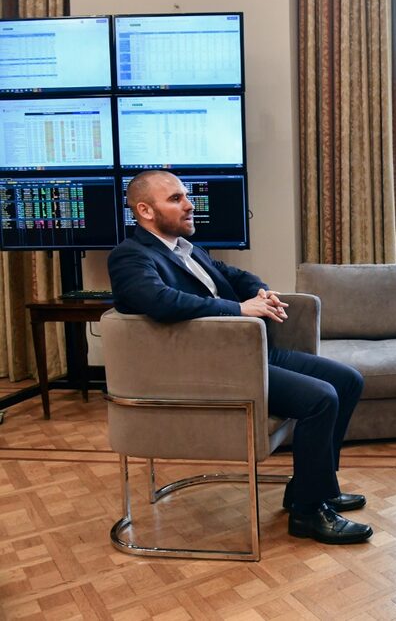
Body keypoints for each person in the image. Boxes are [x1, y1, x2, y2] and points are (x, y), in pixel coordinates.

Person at [108, 170, 372, 545]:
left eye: (186, 196)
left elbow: (235, 275)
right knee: (321, 398)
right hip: (212, 369)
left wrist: (261, 293)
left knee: (347, 381)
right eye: (176, 199)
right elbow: (161, 301)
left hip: (248, 354)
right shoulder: (130, 256)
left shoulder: (187, 249)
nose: (189, 204)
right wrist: (239, 309)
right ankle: (308, 513)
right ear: (145, 210)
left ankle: (312, 488)